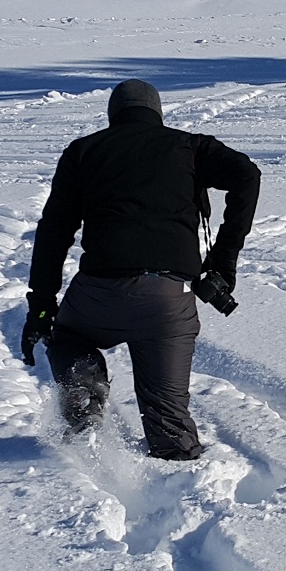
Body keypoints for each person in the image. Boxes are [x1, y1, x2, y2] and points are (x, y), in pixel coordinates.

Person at [19, 79, 261, 460]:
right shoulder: (190, 147)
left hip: (100, 293)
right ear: (157, 114)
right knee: (168, 418)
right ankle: (178, 474)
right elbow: (247, 175)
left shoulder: (84, 151)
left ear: (113, 116)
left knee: (65, 336)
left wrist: (41, 309)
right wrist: (222, 263)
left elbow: (53, 232)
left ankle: (84, 393)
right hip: (169, 303)